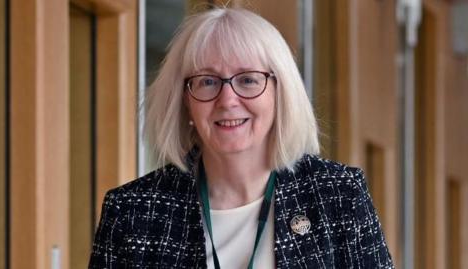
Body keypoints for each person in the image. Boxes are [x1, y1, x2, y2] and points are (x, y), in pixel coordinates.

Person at [89, 7, 394, 269]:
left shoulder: (338, 196)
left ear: (280, 91)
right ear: (184, 100)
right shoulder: (133, 211)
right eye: (207, 81)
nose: (227, 100)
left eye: (248, 80)